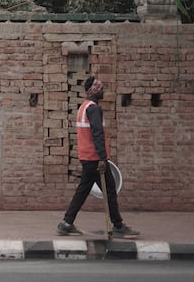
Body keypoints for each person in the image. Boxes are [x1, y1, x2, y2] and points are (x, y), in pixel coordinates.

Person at [57, 76, 139, 238]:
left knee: (83, 190)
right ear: (94, 91)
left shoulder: (83, 107)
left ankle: (66, 223)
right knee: (109, 190)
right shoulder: (94, 109)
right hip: (94, 158)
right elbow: (97, 134)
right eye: (100, 89)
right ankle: (118, 226)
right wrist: (102, 158)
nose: (103, 92)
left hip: (86, 157)